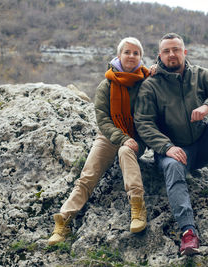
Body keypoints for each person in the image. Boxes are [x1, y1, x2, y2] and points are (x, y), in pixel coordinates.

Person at [134, 33, 208, 256]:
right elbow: (143, 123)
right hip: (172, 151)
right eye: (166, 51)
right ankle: (188, 233)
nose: (172, 54)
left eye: (176, 49)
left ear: (184, 52)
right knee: (173, 166)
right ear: (159, 56)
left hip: (202, 146)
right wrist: (166, 147)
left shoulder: (201, 75)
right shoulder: (151, 86)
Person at [48, 37, 150, 245]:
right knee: (88, 175)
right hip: (109, 135)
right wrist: (121, 137)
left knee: (125, 152)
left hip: (137, 137)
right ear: (119, 55)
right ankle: (63, 222)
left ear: (141, 57)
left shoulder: (148, 81)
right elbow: (102, 119)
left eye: (136, 53)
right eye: (127, 52)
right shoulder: (107, 84)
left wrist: (131, 140)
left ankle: (138, 207)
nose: (131, 56)